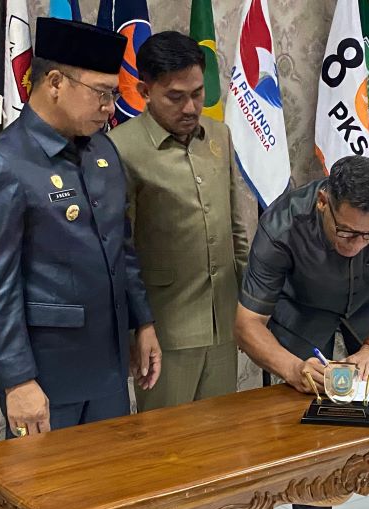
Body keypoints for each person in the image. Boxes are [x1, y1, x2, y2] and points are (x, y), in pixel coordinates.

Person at [0, 18, 162, 438]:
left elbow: (121, 247)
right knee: (46, 480)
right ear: (54, 83)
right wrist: (17, 380)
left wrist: (143, 323)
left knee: (111, 473)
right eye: (101, 93)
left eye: (113, 93)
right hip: (46, 377)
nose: (110, 107)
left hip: (108, 368)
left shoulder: (102, 151)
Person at [235, 155, 369, 509]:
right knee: (312, 438)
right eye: (347, 232)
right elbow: (247, 324)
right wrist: (293, 369)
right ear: (324, 202)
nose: (358, 245)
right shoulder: (281, 225)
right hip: (303, 314)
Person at [108, 31, 251, 411]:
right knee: (168, 440)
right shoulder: (121, 148)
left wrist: (250, 306)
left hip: (224, 319)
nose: (190, 107)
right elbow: (119, 250)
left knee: (221, 433)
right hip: (164, 329)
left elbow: (235, 228)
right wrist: (137, 327)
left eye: (198, 94)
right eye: (175, 97)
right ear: (145, 90)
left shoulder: (219, 135)